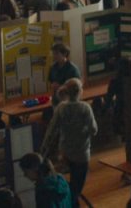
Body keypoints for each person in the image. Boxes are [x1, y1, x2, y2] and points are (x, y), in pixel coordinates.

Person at [42, 78, 97, 208]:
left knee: (69, 185)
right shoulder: (85, 108)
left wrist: (43, 149)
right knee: (76, 188)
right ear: (80, 91)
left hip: (65, 151)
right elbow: (94, 130)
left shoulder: (61, 108)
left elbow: (51, 130)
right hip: (81, 153)